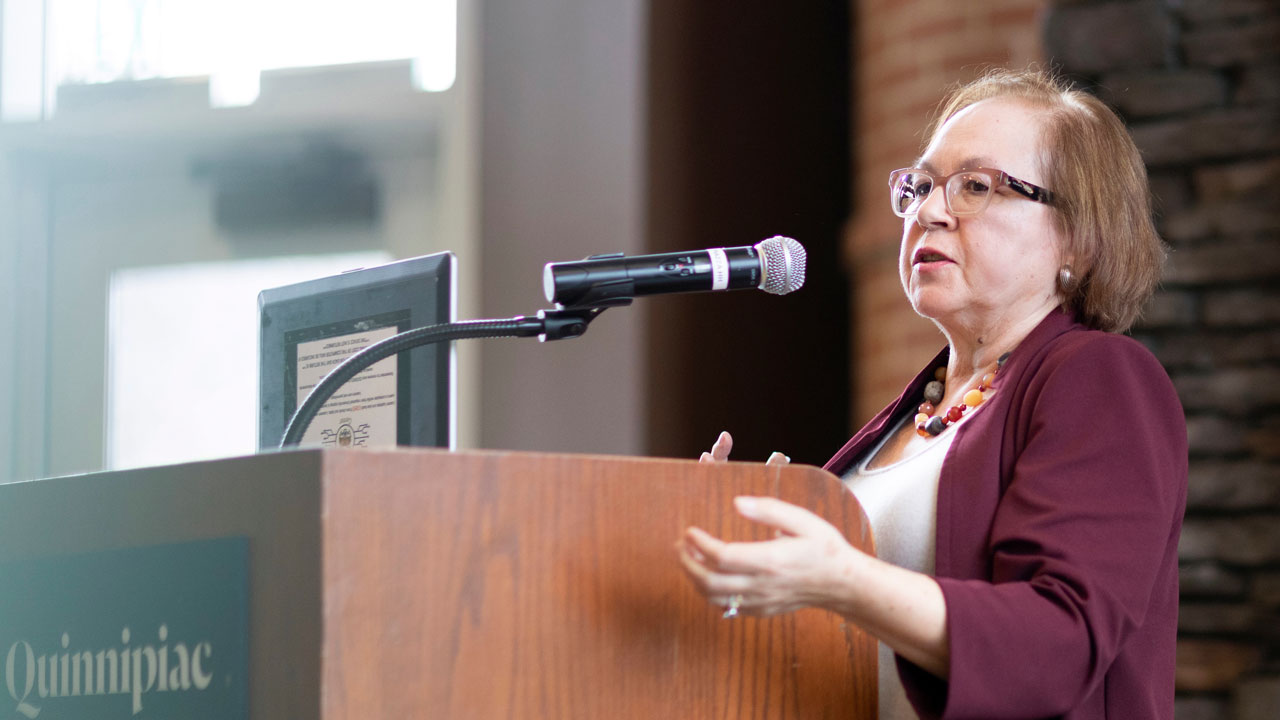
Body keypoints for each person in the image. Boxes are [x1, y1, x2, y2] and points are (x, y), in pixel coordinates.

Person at [677, 68, 1188, 720]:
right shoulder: (909, 417)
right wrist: (739, 550)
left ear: (1076, 237)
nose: (929, 211)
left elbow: (1062, 642)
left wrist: (841, 577)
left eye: (975, 187)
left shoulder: (1099, 378)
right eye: (920, 186)